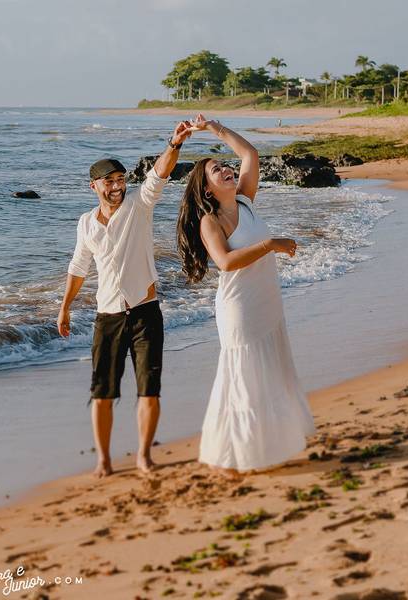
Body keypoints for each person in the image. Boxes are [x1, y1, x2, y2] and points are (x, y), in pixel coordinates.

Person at [176, 113, 315, 475]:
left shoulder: (245, 201)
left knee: (270, 373)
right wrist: (269, 244)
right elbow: (224, 262)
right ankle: (235, 454)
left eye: (225, 166)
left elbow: (250, 154)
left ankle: (269, 445)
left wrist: (214, 128)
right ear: (207, 189)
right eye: (216, 171)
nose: (226, 170)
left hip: (266, 300)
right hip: (239, 308)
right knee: (242, 382)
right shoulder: (211, 221)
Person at [57, 120, 193, 478]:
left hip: (146, 314)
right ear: (94, 186)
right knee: (102, 393)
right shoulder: (86, 223)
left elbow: (158, 176)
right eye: (110, 181)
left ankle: (144, 455)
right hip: (108, 317)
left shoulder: (139, 206)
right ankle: (103, 459)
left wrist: (174, 144)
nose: (117, 186)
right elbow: (78, 266)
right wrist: (65, 307)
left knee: (149, 389)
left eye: (120, 180)